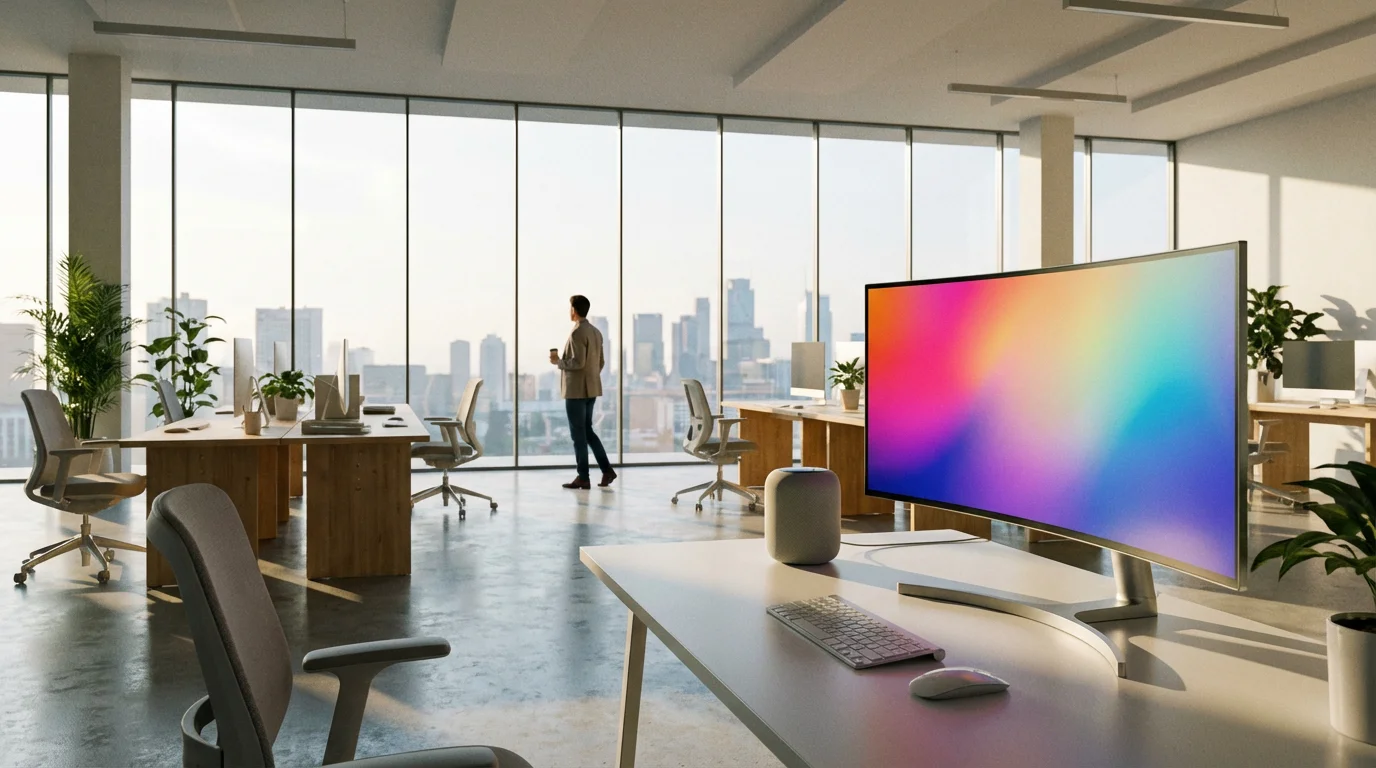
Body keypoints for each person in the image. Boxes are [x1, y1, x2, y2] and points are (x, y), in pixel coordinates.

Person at [550, 294, 616, 489]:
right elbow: (600, 362)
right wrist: (591, 378)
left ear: (574, 310)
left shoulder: (578, 333)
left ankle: (583, 477)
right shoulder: (596, 332)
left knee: (578, 435)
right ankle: (607, 471)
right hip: (592, 389)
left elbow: (578, 362)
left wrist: (558, 363)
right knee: (588, 433)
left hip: (576, 391)